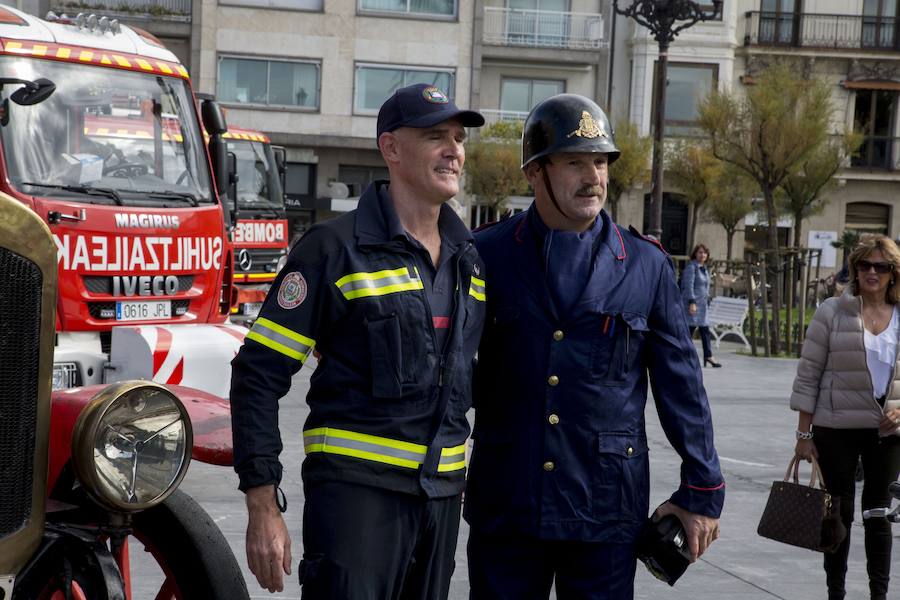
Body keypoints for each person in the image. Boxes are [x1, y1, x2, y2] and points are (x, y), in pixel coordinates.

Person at [229, 83, 486, 598]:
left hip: (441, 503)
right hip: (356, 503)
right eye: (436, 136)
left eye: (458, 138)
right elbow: (257, 378)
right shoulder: (332, 250)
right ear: (390, 148)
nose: (454, 150)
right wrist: (263, 505)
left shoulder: (470, 259)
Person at [465, 93, 725, 599]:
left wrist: (703, 489)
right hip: (509, 501)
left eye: (601, 162)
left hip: (605, 506)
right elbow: (446, 359)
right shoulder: (486, 254)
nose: (594, 177)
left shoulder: (646, 265)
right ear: (535, 172)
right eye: (575, 162)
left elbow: (682, 388)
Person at [791, 234, 900, 600]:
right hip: (835, 428)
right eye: (864, 265)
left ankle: (878, 595)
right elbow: (809, 374)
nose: (872, 272)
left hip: (887, 431)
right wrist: (804, 435)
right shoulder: (832, 311)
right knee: (836, 515)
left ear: (893, 273)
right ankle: (835, 593)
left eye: (880, 267)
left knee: (878, 513)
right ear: (854, 269)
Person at [680, 244, 722, 368]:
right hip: (692, 305)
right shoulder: (692, 268)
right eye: (700, 252)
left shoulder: (703, 268)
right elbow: (688, 286)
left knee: (705, 331)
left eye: (704, 253)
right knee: (688, 332)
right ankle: (681, 354)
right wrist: (692, 302)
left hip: (702, 307)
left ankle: (708, 356)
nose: (702, 255)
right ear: (695, 254)